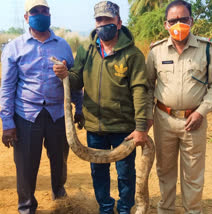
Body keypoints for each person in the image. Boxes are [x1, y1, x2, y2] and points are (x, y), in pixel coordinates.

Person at [53, 1, 149, 213]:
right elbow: (77, 80)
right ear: (95, 22)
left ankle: (124, 208)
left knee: (125, 172)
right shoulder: (87, 50)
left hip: (123, 128)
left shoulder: (132, 55)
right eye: (99, 20)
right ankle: (105, 208)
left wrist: (141, 127)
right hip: (94, 126)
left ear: (118, 22)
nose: (103, 23)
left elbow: (140, 91)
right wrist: (66, 74)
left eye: (108, 19)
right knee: (98, 171)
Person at [0, 0, 84, 213]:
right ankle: (27, 207)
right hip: (26, 115)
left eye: (44, 10)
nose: (40, 14)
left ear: (50, 14)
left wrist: (80, 107)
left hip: (57, 114)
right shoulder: (14, 47)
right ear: (26, 17)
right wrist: (8, 123)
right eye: (35, 11)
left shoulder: (63, 45)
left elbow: (73, 79)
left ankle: (60, 195)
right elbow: (7, 88)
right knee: (26, 166)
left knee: (60, 161)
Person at [146, 0, 212, 213]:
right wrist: (147, 118)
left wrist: (202, 111)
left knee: (193, 174)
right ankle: (167, 210)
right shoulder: (156, 51)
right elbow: (147, 87)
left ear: (191, 20)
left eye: (184, 19)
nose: (178, 24)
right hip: (164, 119)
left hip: (194, 121)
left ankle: (192, 211)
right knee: (165, 171)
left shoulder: (206, 48)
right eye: (173, 20)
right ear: (165, 24)